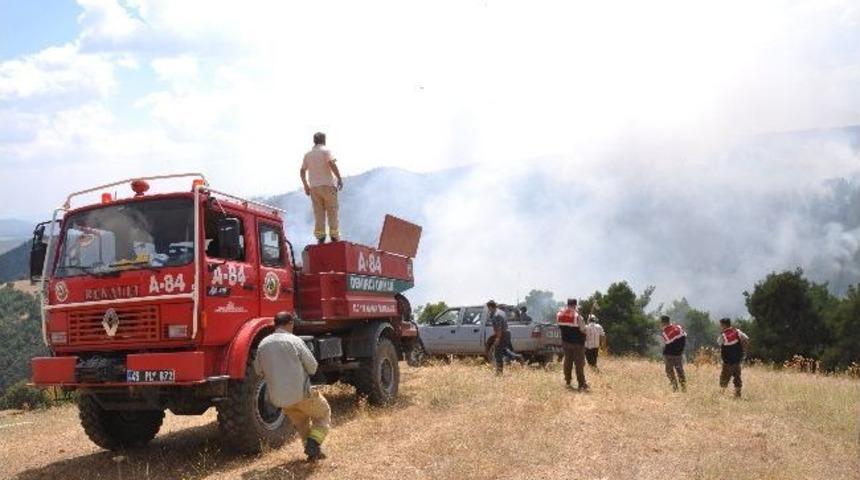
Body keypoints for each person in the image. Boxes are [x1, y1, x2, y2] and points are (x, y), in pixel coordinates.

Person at [254, 311, 331, 461]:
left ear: (275, 324)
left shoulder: (263, 344)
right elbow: (312, 367)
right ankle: (314, 442)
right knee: (323, 413)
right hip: (302, 394)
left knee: (302, 423)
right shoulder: (294, 341)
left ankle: (312, 452)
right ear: (290, 323)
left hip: (281, 399)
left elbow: (258, 370)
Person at [300, 132, 344, 244]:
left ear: (314, 141)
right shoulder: (326, 151)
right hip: (328, 185)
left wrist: (306, 186)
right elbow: (332, 164)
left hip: (314, 188)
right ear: (324, 140)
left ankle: (320, 237)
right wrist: (339, 178)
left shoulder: (308, 155)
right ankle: (334, 236)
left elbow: (302, 171)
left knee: (318, 213)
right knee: (332, 211)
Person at [557, 298, 588, 390]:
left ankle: (567, 381)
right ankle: (581, 383)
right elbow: (583, 330)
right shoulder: (577, 316)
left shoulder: (559, 315)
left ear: (567, 304)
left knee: (567, 361)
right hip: (577, 343)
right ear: (575, 305)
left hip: (565, 342)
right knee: (579, 363)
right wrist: (586, 329)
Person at [717, 317, 750, 398]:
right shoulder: (737, 332)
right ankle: (737, 395)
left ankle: (721, 395)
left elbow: (719, 343)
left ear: (724, 325)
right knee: (737, 377)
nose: (720, 326)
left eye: (721, 325)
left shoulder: (723, 335)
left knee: (724, 378)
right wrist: (743, 351)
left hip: (727, 361)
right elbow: (746, 339)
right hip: (737, 360)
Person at [487, 300, 518, 374]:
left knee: (497, 352)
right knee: (504, 350)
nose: (488, 310)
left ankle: (499, 372)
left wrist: (497, 338)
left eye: (488, 308)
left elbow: (499, 328)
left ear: (490, 307)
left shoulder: (496, 315)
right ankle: (518, 357)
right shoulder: (501, 312)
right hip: (507, 333)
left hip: (502, 334)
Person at [660, 315, 687, 392]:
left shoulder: (665, 332)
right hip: (679, 354)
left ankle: (675, 388)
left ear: (663, 323)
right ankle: (684, 388)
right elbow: (684, 336)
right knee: (680, 371)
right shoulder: (678, 327)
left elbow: (666, 342)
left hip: (669, 355)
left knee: (669, 371)